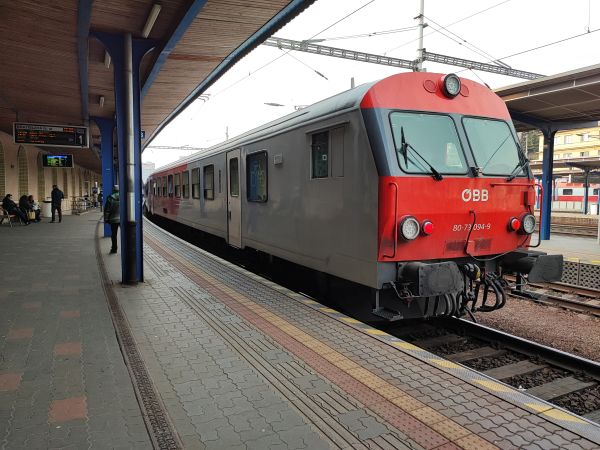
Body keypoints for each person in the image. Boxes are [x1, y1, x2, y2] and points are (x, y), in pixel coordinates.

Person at [104, 185, 120, 254]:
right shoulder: (123, 197)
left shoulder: (110, 198)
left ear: (113, 190)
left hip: (113, 219)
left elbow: (107, 210)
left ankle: (114, 249)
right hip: (122, 219)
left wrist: (106, 219)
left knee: (114, 235)